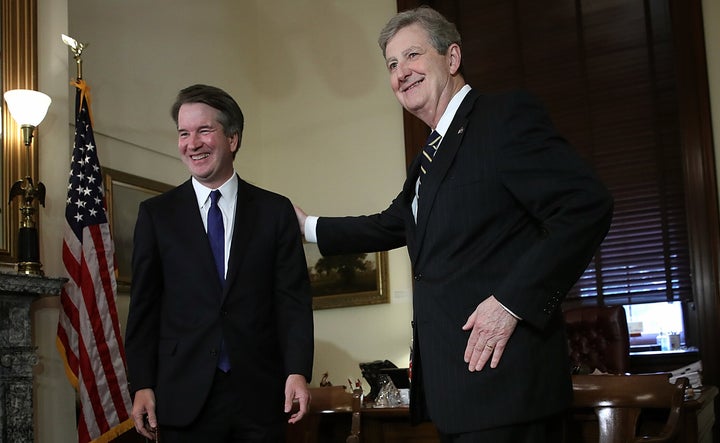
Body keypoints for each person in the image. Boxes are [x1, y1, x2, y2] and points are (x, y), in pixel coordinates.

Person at [295, 6, 612, 443]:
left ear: (452, 57)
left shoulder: (503, 117)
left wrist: (510, 302)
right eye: (391, 64)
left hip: (509, 388)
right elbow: (392, 224)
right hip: (456, 393)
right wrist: (307, 226)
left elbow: (586, 205)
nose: (401, 72)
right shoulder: (428, 157)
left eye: (412, 56)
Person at [125, 84, 314, 442]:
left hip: (260, 396)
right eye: (184, 133)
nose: (192, 143)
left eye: (204, 130)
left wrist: (297, 371)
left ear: (232, 139)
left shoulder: (274, 212)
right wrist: (142, 384)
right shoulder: (156, 215)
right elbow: (144, 309)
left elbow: (292, 301)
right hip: (183, 396)